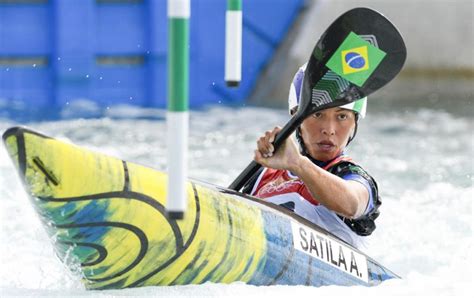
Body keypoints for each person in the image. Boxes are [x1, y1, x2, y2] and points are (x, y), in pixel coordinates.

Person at [243, 64, 381, 248]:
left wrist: (298, 164)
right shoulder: (261, 176)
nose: (329, 130)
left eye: (342, 117)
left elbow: (353, 205)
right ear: (295, 119)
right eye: (317, 114)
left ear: (354, 123)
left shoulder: (354, 176)